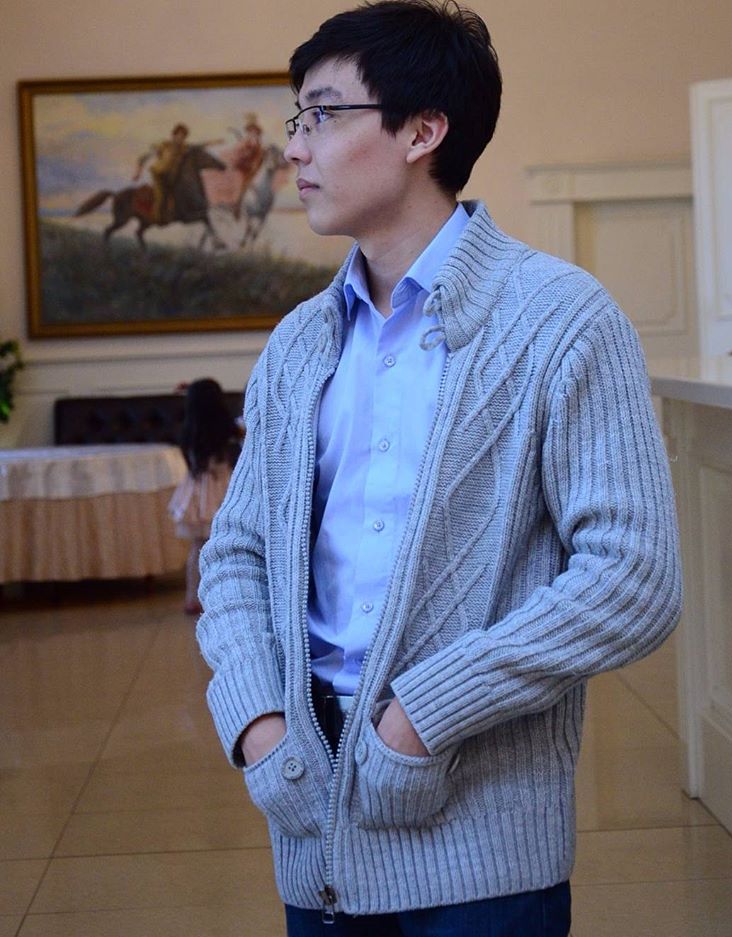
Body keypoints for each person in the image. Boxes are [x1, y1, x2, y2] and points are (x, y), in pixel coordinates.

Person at [196, 2, 682, 934]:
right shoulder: (299, 341)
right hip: (310, 827)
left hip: (485, 850)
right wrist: (259, 726)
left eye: (322, 114)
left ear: (423, 131)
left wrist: (420, 717)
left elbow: (634, 577)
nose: (295, 147)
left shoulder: (562, 318)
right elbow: (236, 555)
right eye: (297, 118)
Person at [168, 379, 238, 615]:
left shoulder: (190, 431)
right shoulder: (226, 431)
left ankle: (192, 597)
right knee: (226, 548)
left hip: (196, 493)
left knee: (197, 548)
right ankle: (224, 595)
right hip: (221, 489)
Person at [133, 123, 191, 224]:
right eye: (179, 135)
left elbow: (198, 147)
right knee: (161, 196)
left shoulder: (184, 148)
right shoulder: (164, 145)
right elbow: (143, 158)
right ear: (174, 135)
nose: (181, 138)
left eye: (183, 136)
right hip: (159, 175)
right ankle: (156, 219)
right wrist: (138, 172)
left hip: (171, 177)